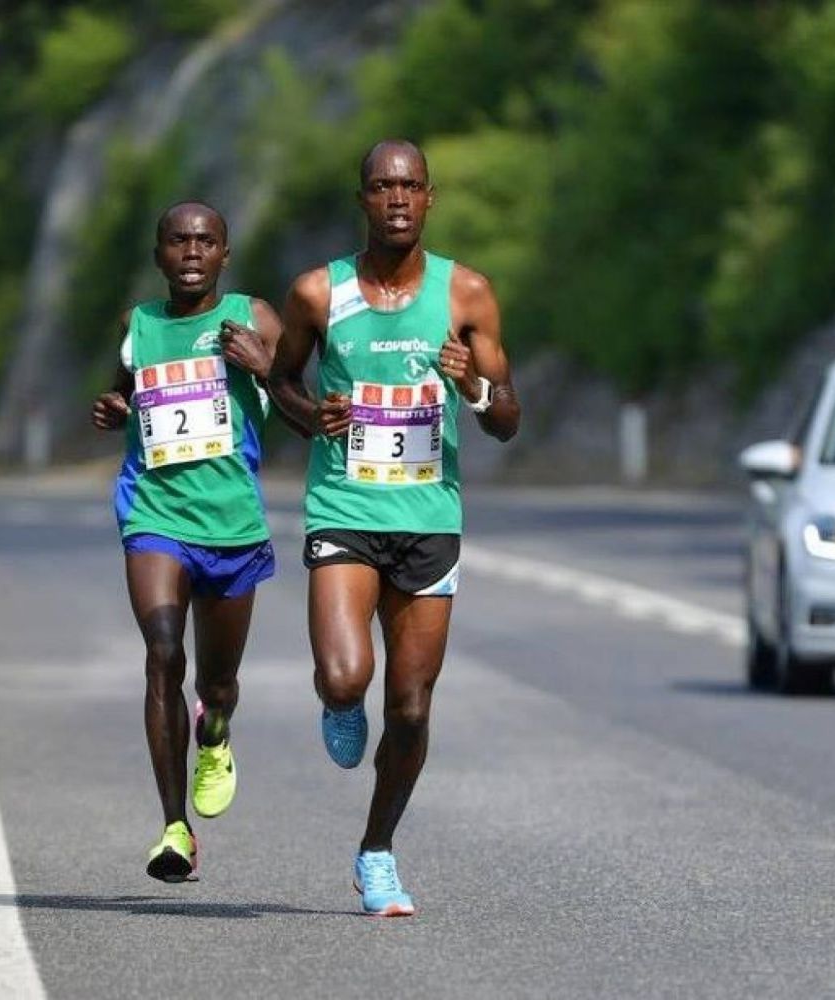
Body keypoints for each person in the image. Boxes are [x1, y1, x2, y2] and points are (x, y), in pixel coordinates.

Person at [268, 139, 520, 916]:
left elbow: (508, 418)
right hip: (345, 506)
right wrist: (316, 416)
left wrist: (472, 385)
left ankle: (376, 851)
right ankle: (339, 700)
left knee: (410, 706)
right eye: (382, 187)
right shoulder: (318, 292)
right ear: (364, 200)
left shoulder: (466, 294)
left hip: (428, 518)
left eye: (410, 186)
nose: (398, 199)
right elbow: (282, 380)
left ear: (430, 198)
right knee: (349, 677)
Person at [91, 201, 281, 882]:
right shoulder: (136, 327)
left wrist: (262, 366)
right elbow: (123, 398)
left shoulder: (252, 319)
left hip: (232, 524)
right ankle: (175, 828)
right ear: (159, 255)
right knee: (163, 653)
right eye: (178, 241)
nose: (192, 251)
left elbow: (303, 407)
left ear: (225, 254)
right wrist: (113, 411)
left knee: (218, 681)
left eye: (206, 241)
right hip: (154, 514)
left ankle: (218, 729)